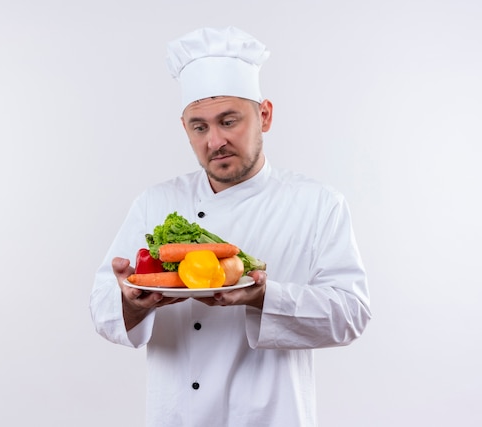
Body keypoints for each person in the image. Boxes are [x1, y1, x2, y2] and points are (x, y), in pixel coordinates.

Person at [90, 26, 371, 427]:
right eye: (200, 127)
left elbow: (351, 314)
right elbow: (102, 309)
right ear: (185, 128)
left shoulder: (318, 204)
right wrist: (132, 304)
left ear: (265, 116)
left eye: (229, 121)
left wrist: (263, 297)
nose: (215, 140)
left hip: (272, 417)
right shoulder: (156, 203)